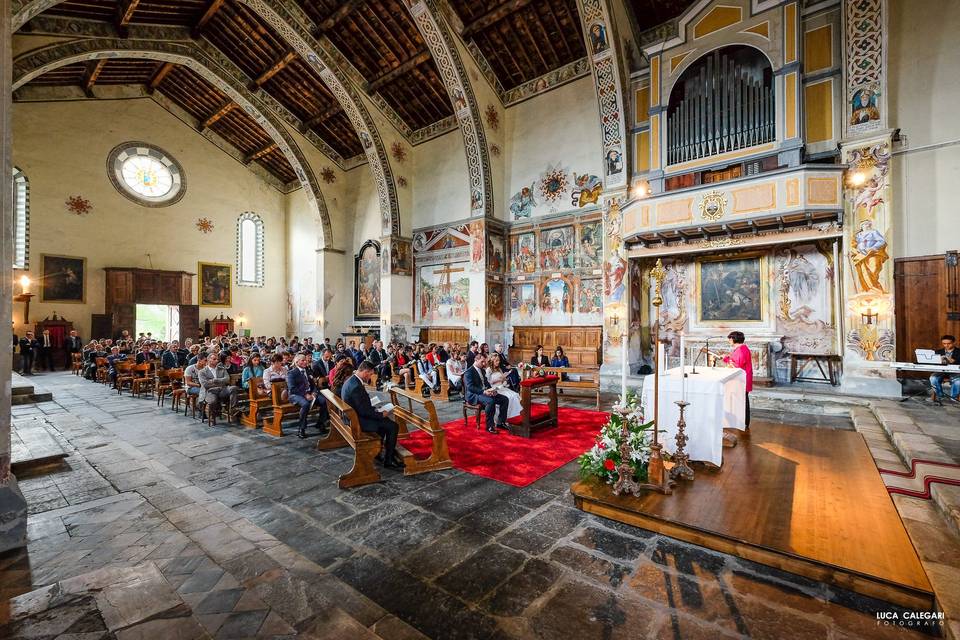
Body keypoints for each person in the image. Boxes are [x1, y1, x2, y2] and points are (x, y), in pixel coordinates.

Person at [341, 361, 402, 469]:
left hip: (352, 416)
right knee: (393, 426)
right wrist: (380, 414)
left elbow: (361, 405)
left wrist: (375, 408)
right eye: (370, 374)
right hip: (357, 421)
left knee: (385, 422)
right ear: (365, 372)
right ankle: (389, 460)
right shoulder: (356, 386)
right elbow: (364, 412)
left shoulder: (351, 380)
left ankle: (377, 453)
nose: (370, 377)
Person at [464, 353, 509, 434]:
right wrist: (484, 392)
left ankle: (500, 422)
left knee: (504, 399)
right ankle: (489, 426)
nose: (484, 364)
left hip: (484, 392)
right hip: (474, 395)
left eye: (485, 362)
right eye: (482, 362)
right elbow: (470, 387)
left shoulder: (482, 370)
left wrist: (492, 390)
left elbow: (486, 383)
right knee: (490, 401)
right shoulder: (469, 372)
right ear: (476, 360)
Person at [715, 331, 752, 428]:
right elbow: (735, 361)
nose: (729, 341)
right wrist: (727, 358)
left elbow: (737, 366)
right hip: (741, 379)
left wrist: (727, 360)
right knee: (742, 401)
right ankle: (741, 422)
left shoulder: (741, 350)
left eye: (730, 339)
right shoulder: (740, 349)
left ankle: (744, 423)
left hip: (742, 380)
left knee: (743, 401)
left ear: (733, 339)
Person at [287, 353, 328, 439]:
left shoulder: (308, 371)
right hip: (296, 394)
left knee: (324, 401)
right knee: (305, 404)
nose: (305, 362)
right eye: (303, 360)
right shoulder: (292, 373)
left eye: (305, 360)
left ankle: (320, 423)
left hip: (310, 394)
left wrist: (314, 392)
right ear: (297, 362)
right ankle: (301, 429)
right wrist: (305, 394)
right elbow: (292, 388)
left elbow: (313, 385)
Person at [197, 353, 239, 426]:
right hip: (210, 391)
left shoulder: (222, 369)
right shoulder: (202, 372)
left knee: (233, 388)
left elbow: (227, 379)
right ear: (209, 360)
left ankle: (232, 409)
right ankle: (212, 416)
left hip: (222, 390)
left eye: (217, 359)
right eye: (214, 359)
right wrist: (220, 382)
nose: (217, 361)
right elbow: (205, 384)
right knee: (212, 401)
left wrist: (215, 380)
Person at [486, 353, 522, 419]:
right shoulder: (488, 370)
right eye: (496, 361)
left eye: (499, 360)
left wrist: (504, 381)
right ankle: (504, 417)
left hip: (502, 387)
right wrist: (497, 380)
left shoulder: (499, 369)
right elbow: (488, 382)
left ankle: (512, 416)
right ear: (492, 361)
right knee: (508, 397)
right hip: (494, 389)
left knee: (514, 395)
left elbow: (504, 380)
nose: (498, 362)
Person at [930, 334, 960, 402]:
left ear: (953, 343)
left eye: (949, 343)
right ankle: (940, 395)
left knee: (958, 381)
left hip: (955, 372)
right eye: (944, 343)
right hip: (941, 372)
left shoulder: (959, 352)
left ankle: (953, 398)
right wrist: (938, 360)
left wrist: (953, 361)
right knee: (933, 378)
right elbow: (933, 364)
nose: (946, 345)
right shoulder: (938, 352)